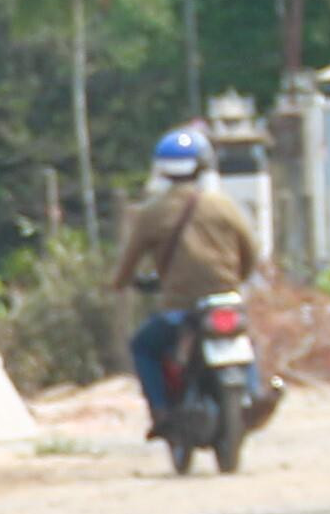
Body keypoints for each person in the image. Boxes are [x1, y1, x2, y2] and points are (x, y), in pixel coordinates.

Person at [109, 125, 256, 424]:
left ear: (161, 170)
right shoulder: (223, 205)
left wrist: (119, 283)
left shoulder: (151, 212)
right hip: (225, 299)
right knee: (244, 339)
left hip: (180, 308)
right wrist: (237, 279)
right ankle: (253, 394)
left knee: (143, 347)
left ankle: (161, 409)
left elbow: (129, 261)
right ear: (204, 165)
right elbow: (250, 249)